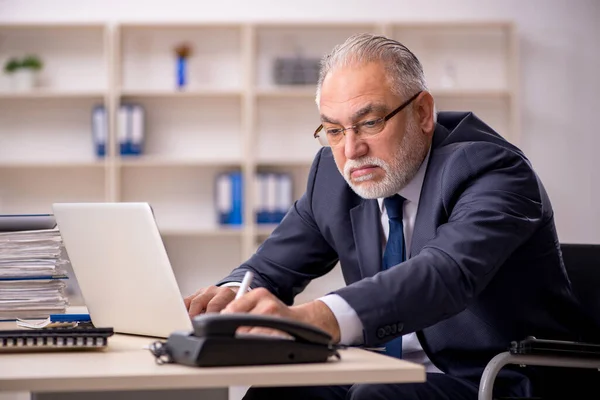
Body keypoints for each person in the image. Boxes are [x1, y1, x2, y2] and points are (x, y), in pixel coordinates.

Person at [184, 33, 593, 399]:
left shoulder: (493, 171)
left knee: (376, 395)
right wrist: (230, 293)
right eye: (334, 130)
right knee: (277, 393)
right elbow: (271, 268)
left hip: (494, 377)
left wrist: (319, 317)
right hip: (380, 370)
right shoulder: (331, 176)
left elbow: (444, 274)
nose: (351, 149)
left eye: (369, 122)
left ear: (422, 113)